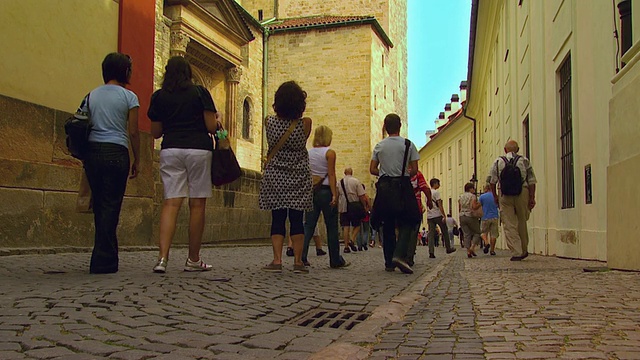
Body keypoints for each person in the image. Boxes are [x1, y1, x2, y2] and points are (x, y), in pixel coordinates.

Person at [149, 56, 220, 273]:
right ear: (189, 73)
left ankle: (162, 259)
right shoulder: (200, 93)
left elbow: (156, 132)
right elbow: (210, 126)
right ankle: (193, 259)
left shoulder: (159, 97)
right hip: (198, 149)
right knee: (197, 205)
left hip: (171, 149)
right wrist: (217, 122)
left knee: (171, 203)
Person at [81, 52, 140, 274]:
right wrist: (138, 159)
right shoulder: (129, 97)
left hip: (93, 153)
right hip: (117, 152)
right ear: (125, 72)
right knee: (112, 205)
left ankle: (105, 256)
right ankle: (103, 260)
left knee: (100, 205)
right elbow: (133, 131)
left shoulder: (91, 95)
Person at [259, 81, 312, 273]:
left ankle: (277, 260)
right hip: (298, 177)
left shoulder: (269, 122)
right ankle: (298, 261)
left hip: (276, 177)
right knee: (297, 219)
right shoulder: (305, 124)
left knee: (278, 218)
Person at [369, 113, 421, 274]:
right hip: (403, 185)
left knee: (387, 223)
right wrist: (403, 173)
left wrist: (385, 174)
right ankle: (399, 254)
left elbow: (372, 169)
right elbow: (415, 170)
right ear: (399, 126)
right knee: (411, 219)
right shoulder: (408, 144)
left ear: (385, 127)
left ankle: (388, 262)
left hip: (385, 187)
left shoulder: (380, 146)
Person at [302, 125, 348, 268]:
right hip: (326, 191)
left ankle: (301, 257)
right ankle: (335, 259)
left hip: (312, 190)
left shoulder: (308, 153)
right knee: (332, 226)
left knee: (309, 225)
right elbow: (332, 174)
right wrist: (335, 194)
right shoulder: (330, 153)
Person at [489, 140, 537, 261]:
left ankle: (516, 251)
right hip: (522, 191)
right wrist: (532, 197)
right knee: (522, 221)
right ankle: (524, 249)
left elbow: (492, 181)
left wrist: (495, 196)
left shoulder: (498, 161)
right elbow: (531, 180)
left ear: (505, 150)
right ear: (518, 149)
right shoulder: (524, 160)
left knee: (509, 223)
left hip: (504, 194)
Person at [406, 170, 435, 265]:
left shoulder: (396, 170)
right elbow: (425, 188)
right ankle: (409, 256)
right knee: (413, 232)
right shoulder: (416, 173)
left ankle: (400, 253)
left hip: (399, 205)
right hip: (414, 206)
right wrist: (429, 201)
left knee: (401, 229)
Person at [338, 168, 369, 253]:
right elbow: (361, 195)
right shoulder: (356, 181)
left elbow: (337, 194)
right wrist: (364, 206)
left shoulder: (339, 182)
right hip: (354, 205)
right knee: (357, 224)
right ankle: (352, 239)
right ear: (352, 172)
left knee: (346, 226)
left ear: (344, 173)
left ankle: (346, 247)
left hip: (344, 206)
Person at [426, 178, 456, 258]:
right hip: (437, 215)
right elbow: (440, 204)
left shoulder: (427, 192)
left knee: (431, 234)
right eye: (438, 183)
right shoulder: (436, 192)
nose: (439, 185)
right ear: (435, 184)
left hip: (429, 216)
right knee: (445, 230)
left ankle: (431, 252)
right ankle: (448, 248)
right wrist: (444, 215)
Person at [459, 183, 482, 258]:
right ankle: (472, 247)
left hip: (462, 216)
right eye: (473, 188)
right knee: (477, 232)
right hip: (470, 216)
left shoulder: (461, 196)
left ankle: (468, 251)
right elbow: (474, 207)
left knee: (466, 234)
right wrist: (480, 204)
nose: (474, 190)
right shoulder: (472, 196)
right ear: (470, 189)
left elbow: (459, 207)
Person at [479, 184, 499, 255]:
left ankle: (486, 243)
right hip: (494, 216)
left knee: (483, 233)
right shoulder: (495, 196)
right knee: (493, 234)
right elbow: (498, 205)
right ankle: (492, 250)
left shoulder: (482, 197)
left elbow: (478, 206)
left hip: (485, 217)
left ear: (486, 189)